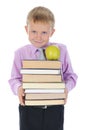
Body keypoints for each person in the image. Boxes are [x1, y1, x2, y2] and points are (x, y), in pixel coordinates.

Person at [8, 6, 78, 130]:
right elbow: (14, 79)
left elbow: (71, 76)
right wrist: (18, 88)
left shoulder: (61, 50)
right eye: (33, 31)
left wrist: (65, 89)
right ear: (26, 29)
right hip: (29, 109)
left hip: (54, 108)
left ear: (52, 32)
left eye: (44, 32)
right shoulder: (20, 53)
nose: (38, 37)